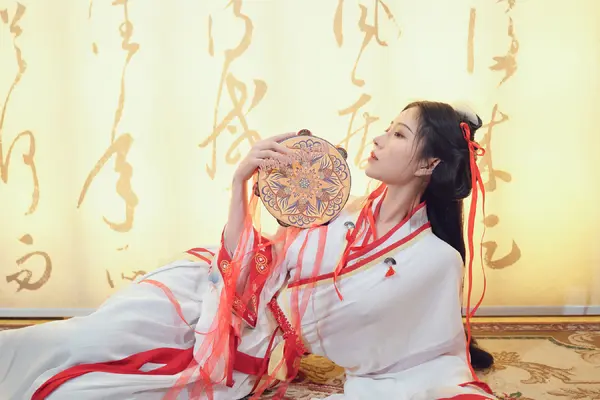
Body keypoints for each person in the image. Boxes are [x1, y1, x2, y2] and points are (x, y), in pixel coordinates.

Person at [0, 100, 496, 400]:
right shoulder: (336, 205)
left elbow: (424, 358)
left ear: (429, 164)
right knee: (85, 337)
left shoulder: (434, 259)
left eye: (399, 134)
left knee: (82, 388)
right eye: (388, 127)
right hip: (212, 289)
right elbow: (256, 258)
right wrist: (241, 182)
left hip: (251, 347)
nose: (380, 138)